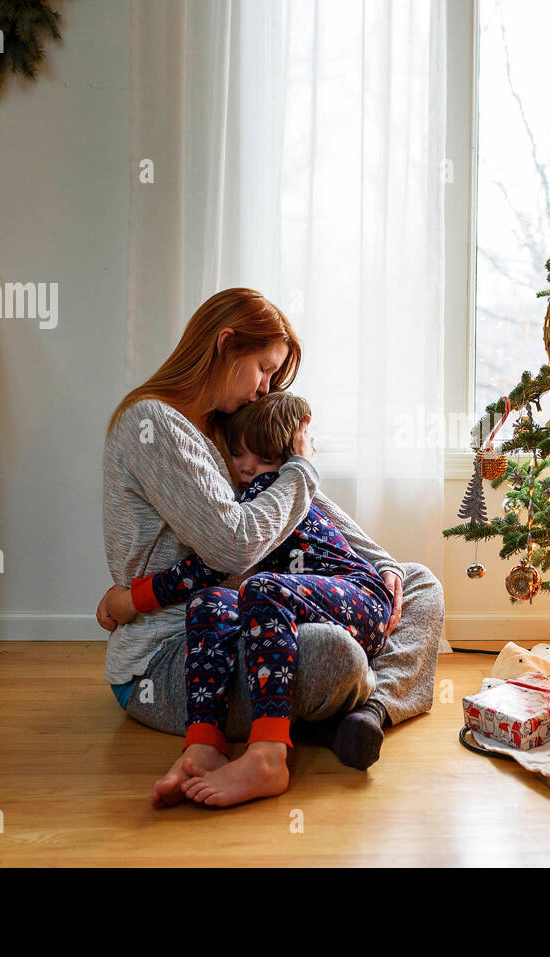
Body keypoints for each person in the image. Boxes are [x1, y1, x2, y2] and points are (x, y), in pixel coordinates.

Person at [100, 288, 443, 807]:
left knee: (419, 581)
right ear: (225, 344)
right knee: (336, 653)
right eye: (263, 368)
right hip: (179, 656)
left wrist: (384, 567)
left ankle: (368, 711)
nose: (265, 389)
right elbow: (234, 546)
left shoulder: (223, 425)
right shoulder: (154, 426)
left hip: (255, 617)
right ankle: (351, 704)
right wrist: (300, 466)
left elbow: (309, 504)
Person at [102, 391, 393, 806]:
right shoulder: (242, 480)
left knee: (261, 588)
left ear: (287, 464)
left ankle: (270, 754)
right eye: (239, 454)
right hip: (310, 605)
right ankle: (205, 742)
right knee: (213, 602)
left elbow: (210, 564)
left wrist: (134, 597)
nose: (246, 469)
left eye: (263, 462)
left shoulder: (272, 491)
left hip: (360, 597)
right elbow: (214, 576)